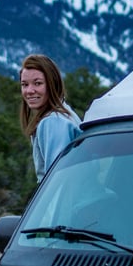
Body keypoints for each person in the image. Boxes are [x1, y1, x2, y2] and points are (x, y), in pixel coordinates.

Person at [19, 54, 82, 182]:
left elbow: (57, 180)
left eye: (37, 83)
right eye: (25, 84)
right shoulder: (65, 113)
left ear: (52, 84)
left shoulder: (53, 122)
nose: (29, 91)